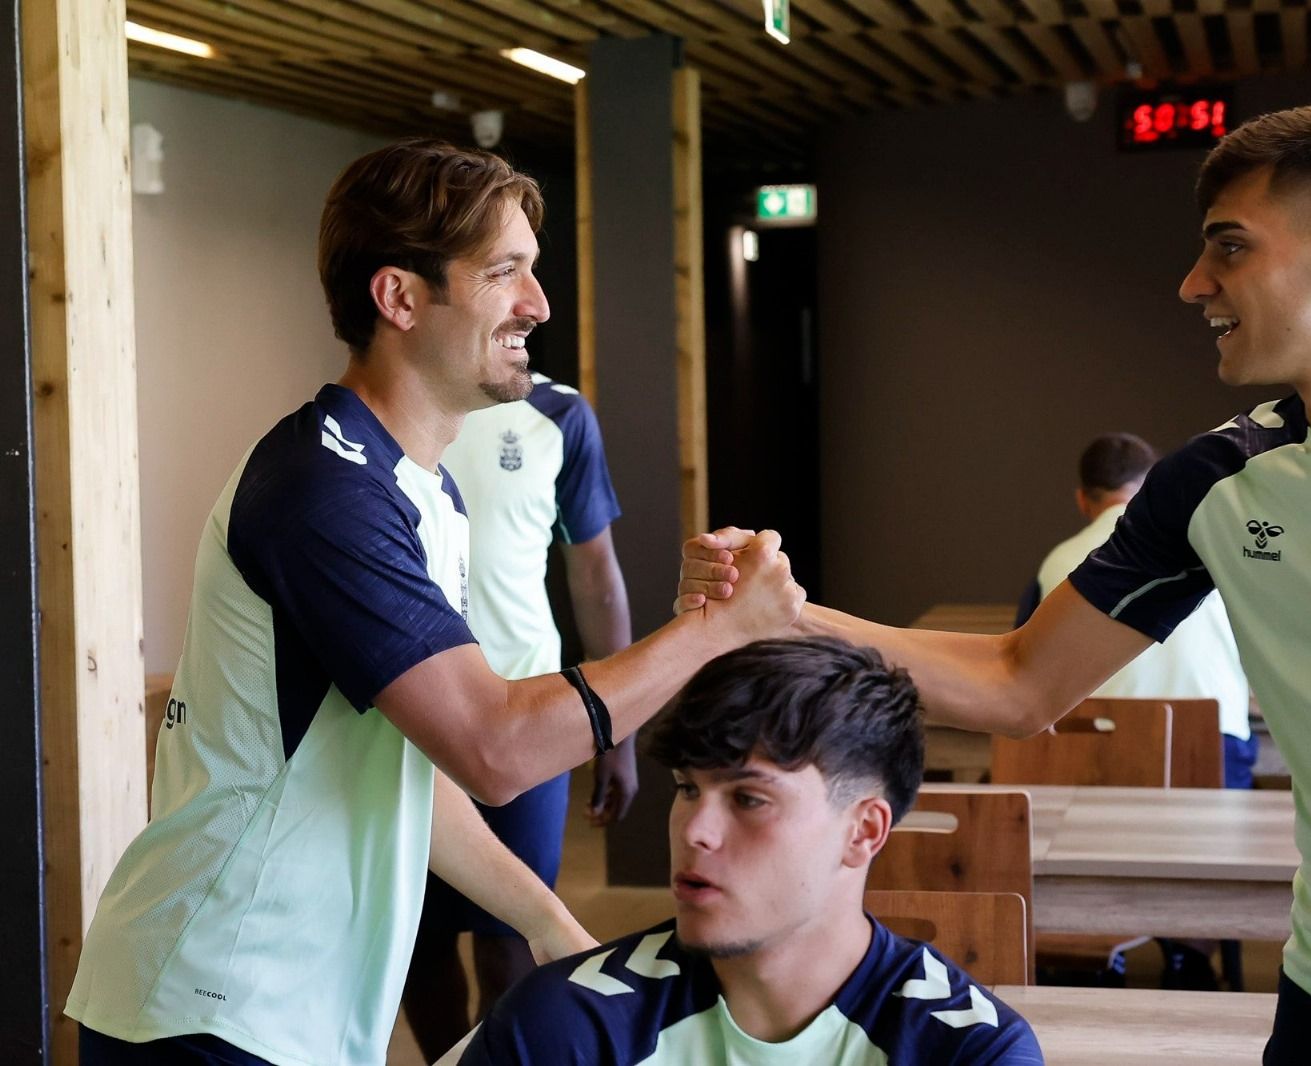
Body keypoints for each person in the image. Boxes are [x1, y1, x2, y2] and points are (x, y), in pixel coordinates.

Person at [682, 102, 1311, 1061]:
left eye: (1231, 249)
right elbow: (1021, 683)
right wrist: (781, 618)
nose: (1193, 283)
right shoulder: (1213, 481)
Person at [65, 139, 804, 1066]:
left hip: (295, 1008)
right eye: (505, 274)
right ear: (400, 297)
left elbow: (414, 770)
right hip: (209, 1002)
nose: (538, 305)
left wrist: (549, 924)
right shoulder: (322, 490)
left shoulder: (426, 495)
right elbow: (496, 748)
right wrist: (715, 633)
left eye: (533, 273)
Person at [459, 636, 1043, 1065]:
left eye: (749, 799)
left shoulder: (969, 1051)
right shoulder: (564, 1029)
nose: (696, 831)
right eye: (688, 788)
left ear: (863, 831)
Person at [403, 373, 637, 1059]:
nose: (528, 304)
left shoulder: (559, 414)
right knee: (422, 937)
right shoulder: (396, 407)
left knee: (514, 936)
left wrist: (614, 731)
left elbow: (595, 576)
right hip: (415, 710)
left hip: (529, 713)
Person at [1017, 431, 1255, 790]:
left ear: (1082, 500)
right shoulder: (1212, 550)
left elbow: (1022, 667)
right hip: (1213, 739)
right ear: (1152, 488)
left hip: (1095, 743)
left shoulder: (1057, 562)